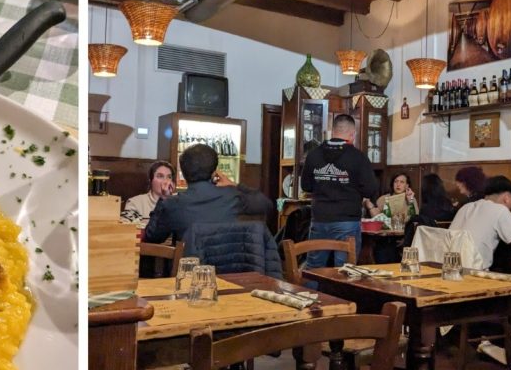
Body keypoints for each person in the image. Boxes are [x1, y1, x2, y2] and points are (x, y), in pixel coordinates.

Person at [144, 143, 273, 247]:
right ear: (213, 172)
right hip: (228, 273)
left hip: (188, 273)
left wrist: (163, 200)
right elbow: (266, 204)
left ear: (182, 173)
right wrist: (234, 185)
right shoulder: (231, 196)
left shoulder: (172, 203)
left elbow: (152, 237)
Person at [300, 114, 378, 267]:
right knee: (345, 270)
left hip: (320, 218)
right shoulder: (358, 157)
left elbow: (306, 186)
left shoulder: (314, 155)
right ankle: (339, 292)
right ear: (352, 134)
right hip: (347, 220)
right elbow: (370, 189)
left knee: (314, 268)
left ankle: (309, 292)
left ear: (332, 131)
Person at [449, 175, 511, 269]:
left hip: (447, 267)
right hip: (473, 272)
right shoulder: (500, 210)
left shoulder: (466, 207)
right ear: (506, 198)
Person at [121, 160, 175, 225]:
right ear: (150, 180)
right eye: (160, 176)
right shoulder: (135, 203)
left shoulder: (178, 203)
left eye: (169, 177)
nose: (166, 181)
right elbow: (126, 226)